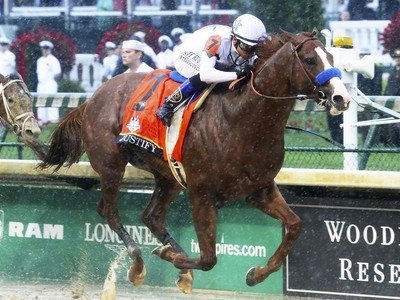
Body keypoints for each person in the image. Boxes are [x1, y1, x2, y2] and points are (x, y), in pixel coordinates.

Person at [155, 13, 267, 126]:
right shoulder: (217, 39)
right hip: (188, 55)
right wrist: (236, 74)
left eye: (255, 48)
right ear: (234, 40)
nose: (251, 53)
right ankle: (168, 105)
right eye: (247, 47)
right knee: (207, 77)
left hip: (216, 60)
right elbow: (205, 74)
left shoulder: (249, 46)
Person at [36, 40, 61, 125]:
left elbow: (57, 73)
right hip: (41, 84)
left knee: (52, 102)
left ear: (50, 49)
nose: (45, 50)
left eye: (47, 49)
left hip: (50, 84)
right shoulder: (39, 60)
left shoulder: (53, 60)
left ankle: (53, 120)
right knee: (40, 102)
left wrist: (51, 79)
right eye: (43, 49)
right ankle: (42, 120)